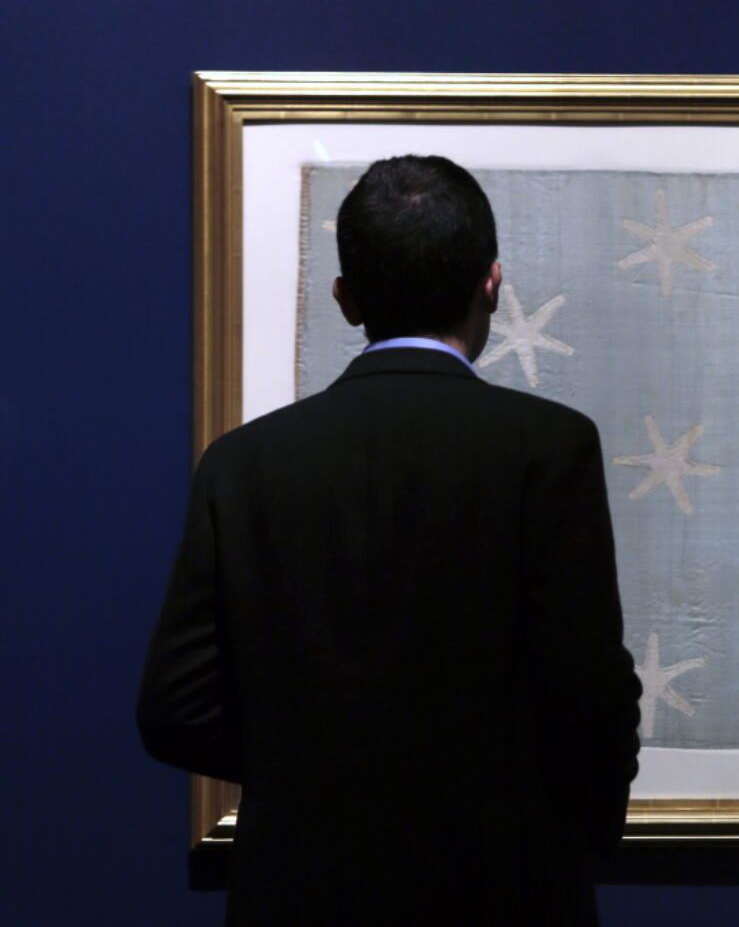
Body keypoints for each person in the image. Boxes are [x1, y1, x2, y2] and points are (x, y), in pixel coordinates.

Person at [137, 155, 642, 926]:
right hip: (506, 884)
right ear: (493, 285)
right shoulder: (551, 445)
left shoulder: (243, 462)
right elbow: (590, 691)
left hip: (299, 886)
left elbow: (175, 707)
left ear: (345, 299)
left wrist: (312, 773)